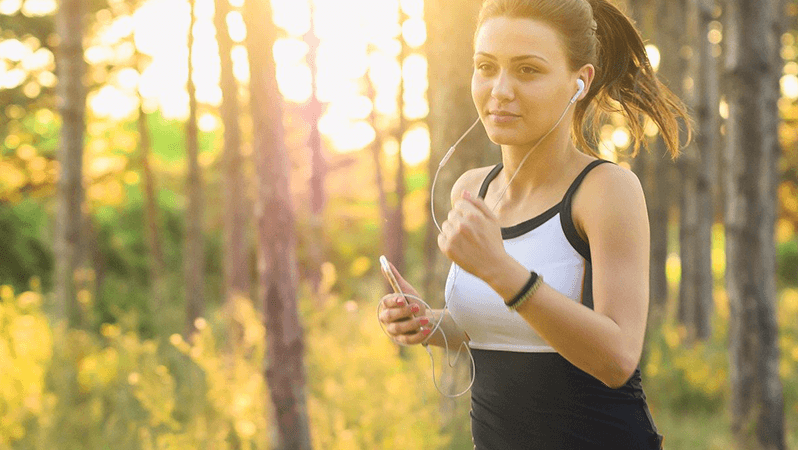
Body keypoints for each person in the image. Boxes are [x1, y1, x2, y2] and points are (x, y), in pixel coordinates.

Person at [378, 0, 691, 448]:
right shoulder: (471, 189)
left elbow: (618, 357)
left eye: (527, 70)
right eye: (486, 66)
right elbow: (500, 328)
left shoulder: (605, 190)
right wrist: (428, 323)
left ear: (579, 82)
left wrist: (501, 272)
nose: (500, 90)